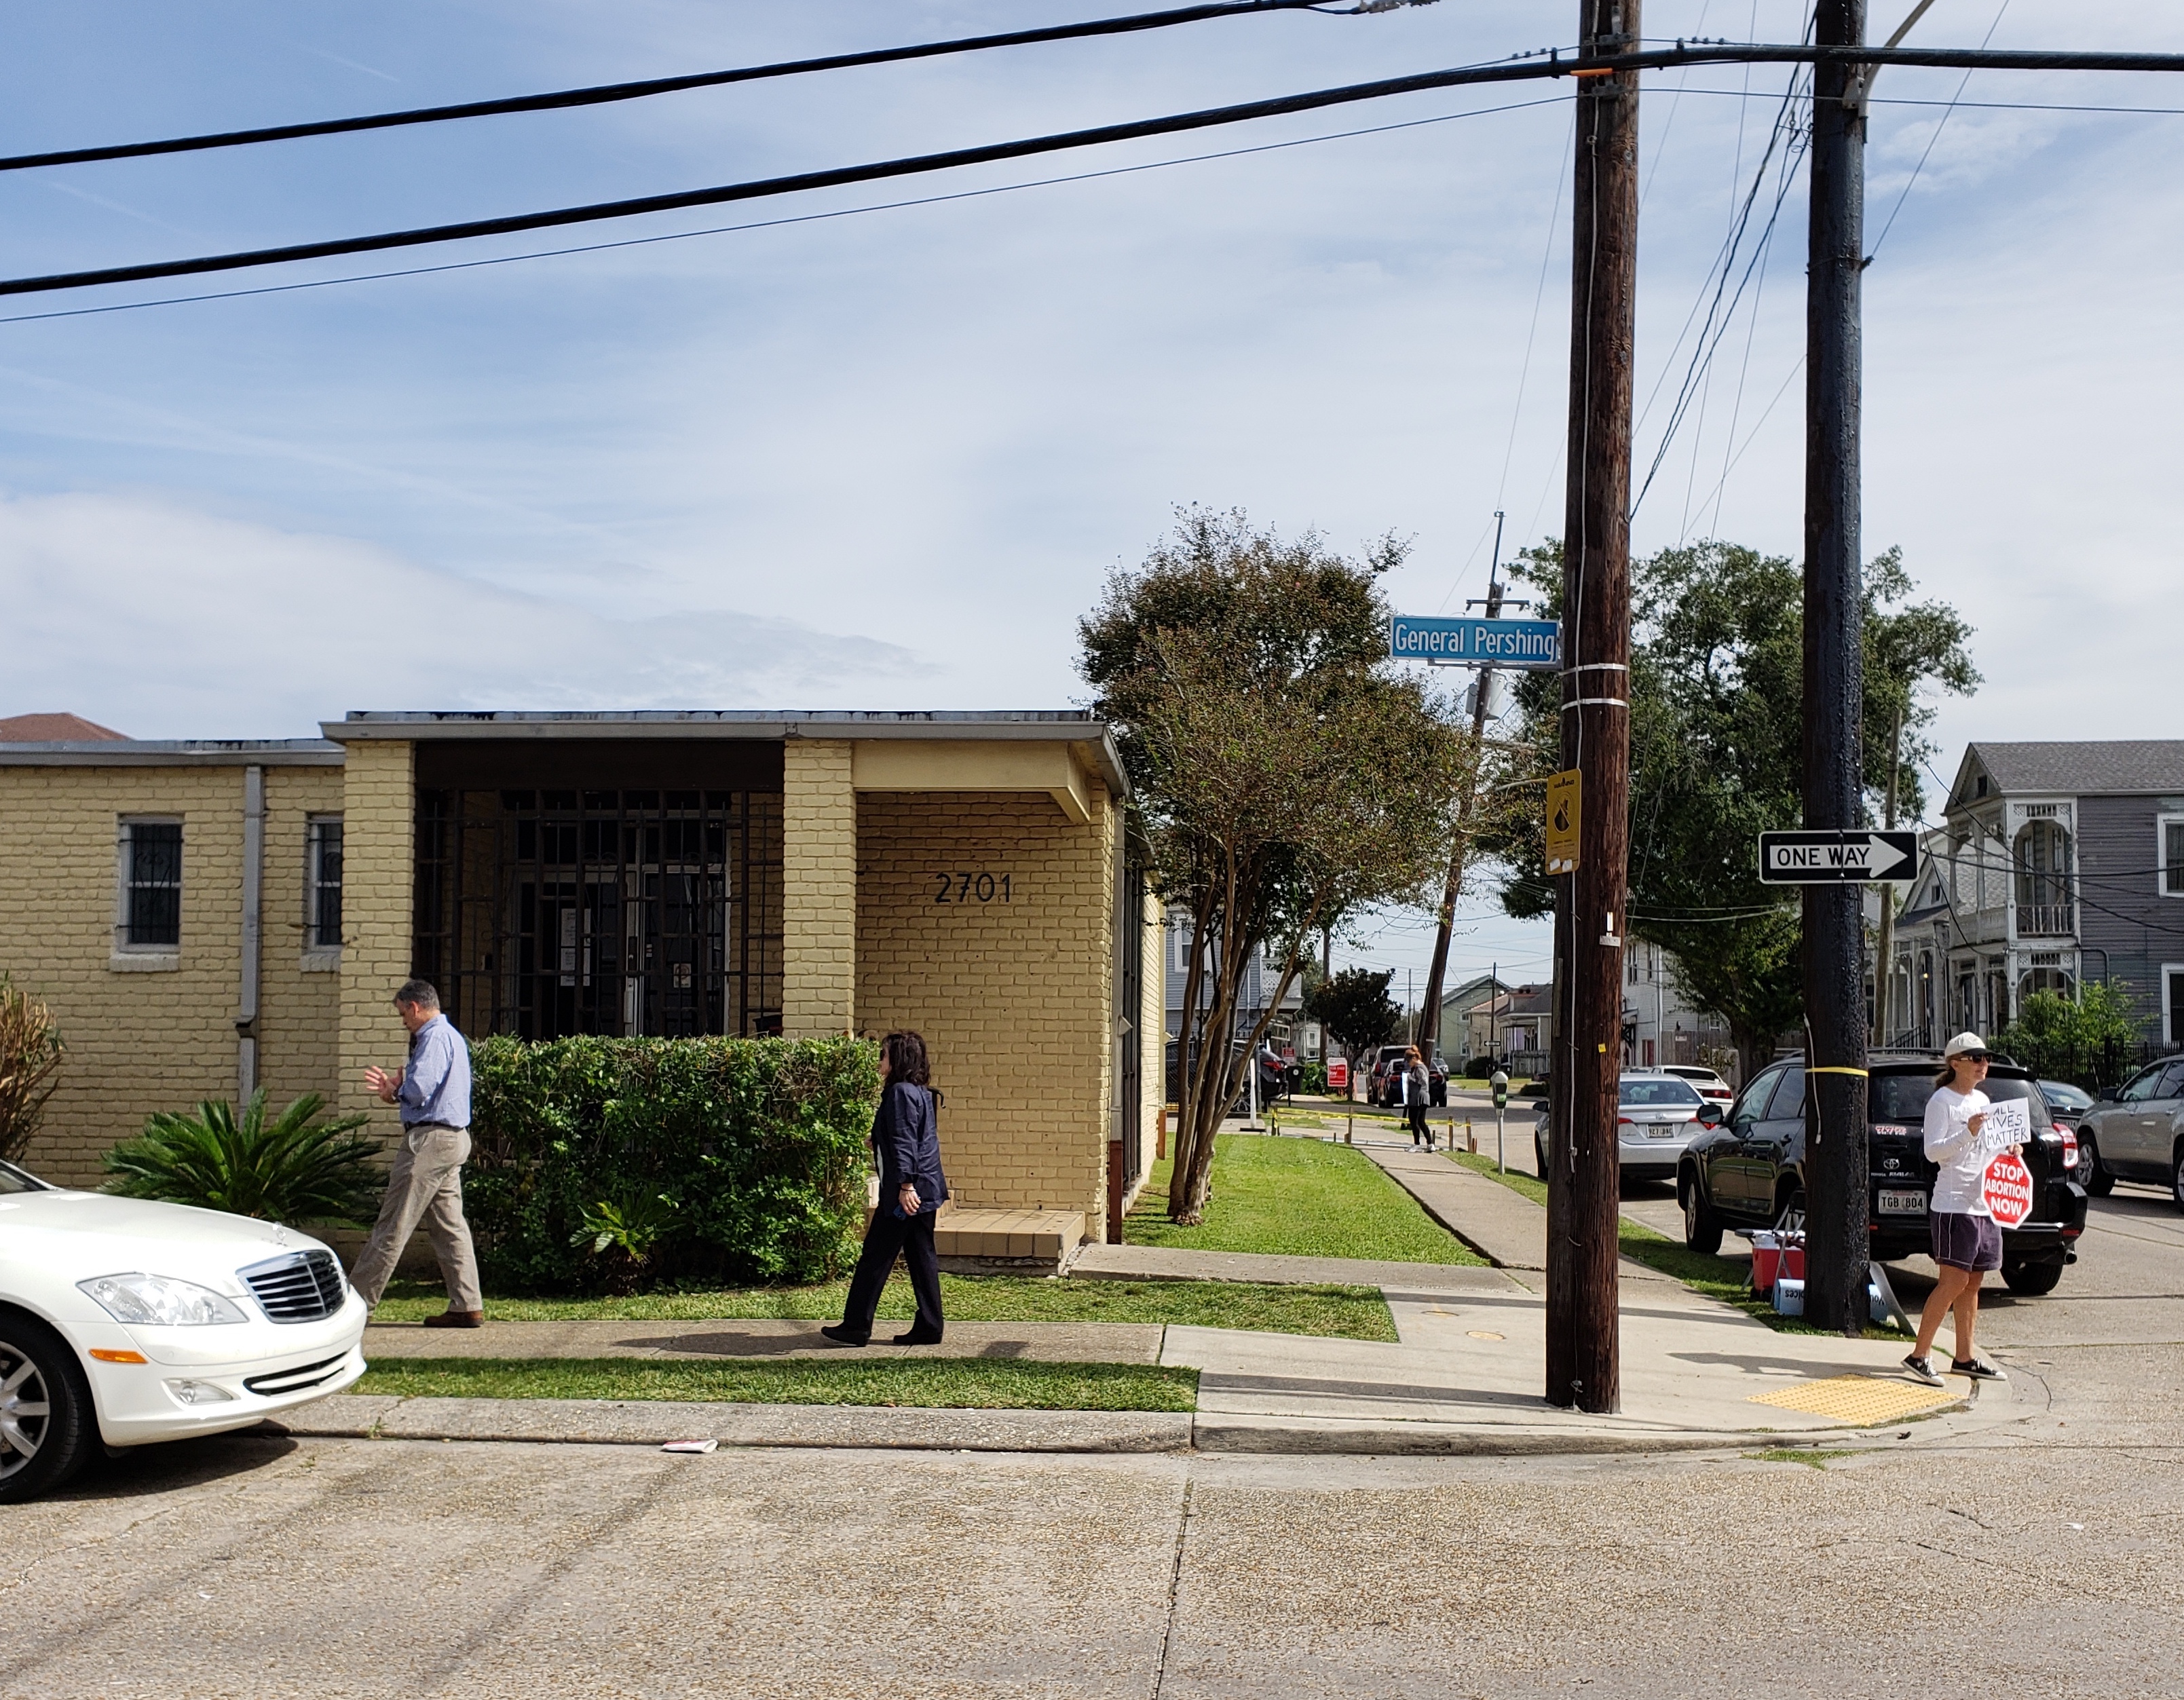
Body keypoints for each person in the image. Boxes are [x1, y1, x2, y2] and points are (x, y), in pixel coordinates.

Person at [348, 979, 484, 1328]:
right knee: (449, 1226)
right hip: (452, 1140)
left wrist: (395, 1091)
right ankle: (466, 1304)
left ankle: (355, 1307)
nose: (403, 1022)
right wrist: (402, 1087)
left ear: (414, 1007)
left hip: (429, 1142)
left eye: (402, 1014)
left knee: (393, 1222)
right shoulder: (451, 1036)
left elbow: (420, 1089)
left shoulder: (433, 1038)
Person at [823, 1031, 949, 1348]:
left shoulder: (900, 1093)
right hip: (926, 1190)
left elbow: (906, 1141)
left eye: (884, 1055)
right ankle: (930, 1326)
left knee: (875, 1257)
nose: (880, 1061)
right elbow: (913, 1138)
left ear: (898, 1059)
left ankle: (856, 1326)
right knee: (922, 1259)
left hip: (907, 1194)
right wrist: (877, 1139)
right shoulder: (919, 1092)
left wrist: (905, 1185)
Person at [1903, 1032, 2014, 1386]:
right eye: (1977, 1057)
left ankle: (1965, 1357)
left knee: (1973, 1283)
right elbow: (1933, 1152)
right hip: (1953, 1204)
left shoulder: (1982, 1099)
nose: (1985, 1063)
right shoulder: (1942, 1102)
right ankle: (1919, 1355)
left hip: (1984, 1203)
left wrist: (2008, 1150)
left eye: (1987, 1057)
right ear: (1956, 1063)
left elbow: (1985, 1150)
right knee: (1953, 1281)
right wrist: (1967, 1131)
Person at [1401, 1044, 1433, 1149]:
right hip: (1418, 1098)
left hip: (1419, 1098)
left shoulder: (1419, 1069)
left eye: (1409, 1061)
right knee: (1419, 1121)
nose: (1408, 1064)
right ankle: (1429, 1144)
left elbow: (1424, 1081)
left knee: (1416, 1121)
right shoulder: (1417, 1068)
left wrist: (1411, 1078)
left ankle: (1419, 1144)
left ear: (1414, 1059)